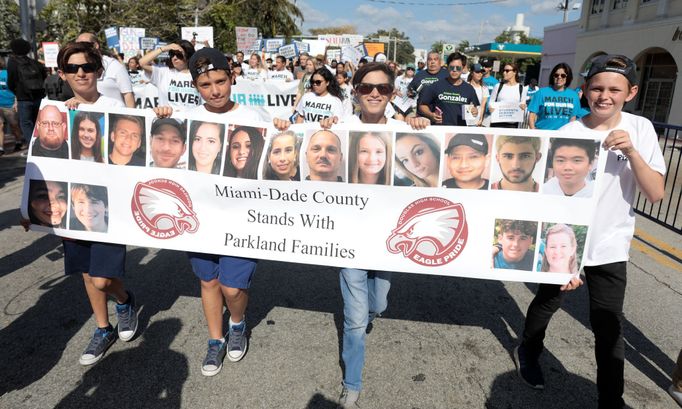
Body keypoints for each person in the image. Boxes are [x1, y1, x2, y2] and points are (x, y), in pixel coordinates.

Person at [514, 55, 666, 409]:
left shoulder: (640, 129)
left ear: (631, 92)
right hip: (566, 237)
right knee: (548, 301)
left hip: (611, 243)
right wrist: (564, 253)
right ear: (584, 91)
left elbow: (656, 193)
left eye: (615, 89)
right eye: (597, 87)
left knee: (608, 323)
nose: (605, 95)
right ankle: (529, 350)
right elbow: (550, 196)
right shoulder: (568, 133)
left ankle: (610, 399)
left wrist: (631, 151)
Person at [154, 47, 264, 376]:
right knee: (209, 282)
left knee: (233, 287)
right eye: (205, 85)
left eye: (220, 81)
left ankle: (237, 323)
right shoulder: (185, 119)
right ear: (194, 86)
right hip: (199, 219)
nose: (215, 90)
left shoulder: (252, 119)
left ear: (232, 77)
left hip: (241, 219)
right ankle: (215, 339)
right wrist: (162, 120)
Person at [41, 40, 138, 366]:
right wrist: (31, 207)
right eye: (72, 68)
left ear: (98, 70)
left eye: (86, 67)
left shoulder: (117, 108)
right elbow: (42, 165)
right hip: (74, 205)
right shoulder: (54, 115)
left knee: (102, 278)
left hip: (111, 206)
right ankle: (102, 328)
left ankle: (123, 300)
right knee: (86, 272)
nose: (80, 73)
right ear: (63, 74)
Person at [418, 52, 479, 126]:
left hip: (460, 131)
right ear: (447, 67)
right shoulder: (436, 85)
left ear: (463, 68)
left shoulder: (469, 89)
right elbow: (422, 105)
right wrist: (431, 115)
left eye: (458, 68)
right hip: (440, 131)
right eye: (452, 67)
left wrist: (475, 111)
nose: (454, 70)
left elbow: (475, 107)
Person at [75, 33, 135, 108]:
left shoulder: (115, 66)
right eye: (77, 45)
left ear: (96, 45)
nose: (80, 48)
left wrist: (131, 118)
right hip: (90, 116)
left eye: (84, 44)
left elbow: (128, 95)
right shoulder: (77, 69)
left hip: (115, 116)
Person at [139, 40, 201, 112]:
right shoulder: (163, 73)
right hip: (167, 121)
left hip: (191, 121)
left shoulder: (198, 75)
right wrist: (164, 49)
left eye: (179, 55)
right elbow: (142, 63)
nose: (174, 58)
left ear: (188, 56)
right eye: (172, 54)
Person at [7, 38, 46, 150]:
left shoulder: (12, 63)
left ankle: (34, 147)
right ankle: (42, 144)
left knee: (25, 123)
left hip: (24, 98)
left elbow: (10, 82)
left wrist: (17, 92)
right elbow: (43, 78)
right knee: (37, 122)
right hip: (38, 97)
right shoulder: (35, 63)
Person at [528, 63, 581, 130]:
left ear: (568, 77)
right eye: (556, 75)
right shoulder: (541, 92)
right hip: (542, 134)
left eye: (563, 75)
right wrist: (534, 133)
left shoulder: (574, 95)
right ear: (553, 76)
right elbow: (532, 115)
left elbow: (572, 119)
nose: (559, 77)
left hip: (562, 136)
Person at [407, 50, 448, 119]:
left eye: (435, 59)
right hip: (422, 116)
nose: (432, 62)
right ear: (426, 62)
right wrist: (410, 93)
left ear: (440, 62)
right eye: (430, 59)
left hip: (443, 116)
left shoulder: (447, 74)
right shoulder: (419, 75)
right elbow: (410, 92)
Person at [489, 62, 527, 128]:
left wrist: (523, 107)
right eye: (503, 70)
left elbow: (523, 105)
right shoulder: (498, 86)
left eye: (507, 71)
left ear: (515, 72)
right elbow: (491, 102)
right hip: (497, 123)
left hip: (513, 125)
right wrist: (490, 107)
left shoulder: (521, 88)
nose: (504, 73)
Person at [0, 58, 22, 155]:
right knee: (0, 126)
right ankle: (1, 148)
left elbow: (17, 87)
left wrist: (16, 102)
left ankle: (18, 141)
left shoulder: (7, 73)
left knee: (14, 126)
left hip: (9, 104)